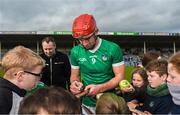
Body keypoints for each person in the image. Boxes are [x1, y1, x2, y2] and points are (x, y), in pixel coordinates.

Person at [70, 14, 125, 114]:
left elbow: (120, 77)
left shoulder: (113, 48)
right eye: (80, 40)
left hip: (109, 104)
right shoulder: (75, 52)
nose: (84, 43)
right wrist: (74, 84)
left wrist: (99, 88)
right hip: (86, 103)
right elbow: (75, 76)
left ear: (96, 32)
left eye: (87, 38)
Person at [0, 46, 45, 114]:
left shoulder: (17, 93)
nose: (39, 79)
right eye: (38, 75)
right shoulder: (4, 96)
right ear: (20, 76)